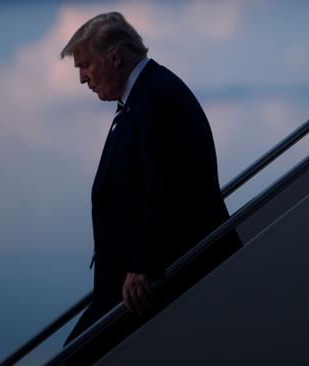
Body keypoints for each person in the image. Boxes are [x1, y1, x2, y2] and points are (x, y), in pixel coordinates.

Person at [60, 12, 241, 347]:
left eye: (85, 65)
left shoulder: (156, 98)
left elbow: (166, 187)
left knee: (79, 352)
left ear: (115, 58)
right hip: (133, 281)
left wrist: (144, 264)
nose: (82, 79)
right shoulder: (144, 97)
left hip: (155, 280)